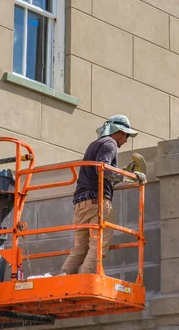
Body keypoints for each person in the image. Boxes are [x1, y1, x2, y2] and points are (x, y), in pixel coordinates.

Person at [60, 115, 146, 275]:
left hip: (81, 204)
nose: (126, 140)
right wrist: (129, 176)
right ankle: (87, 282)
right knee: (97, 245)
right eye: (126, 135)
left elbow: (100, 175)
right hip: (97, 203)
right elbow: (103, 169)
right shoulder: (110, 143)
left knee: (79, 248)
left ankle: (64, 279)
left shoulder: (95, 144)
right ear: (119, 132)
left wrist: (120, 174)